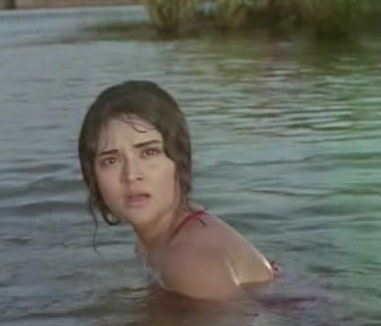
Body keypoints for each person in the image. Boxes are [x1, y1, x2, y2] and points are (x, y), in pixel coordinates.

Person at [78, 80, 280, 301]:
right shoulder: (158, 239)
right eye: (111, 160)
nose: (131, 175)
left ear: (180, 159)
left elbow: (248, 321)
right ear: (92, 176)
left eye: (149, 152)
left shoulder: (189, 261)